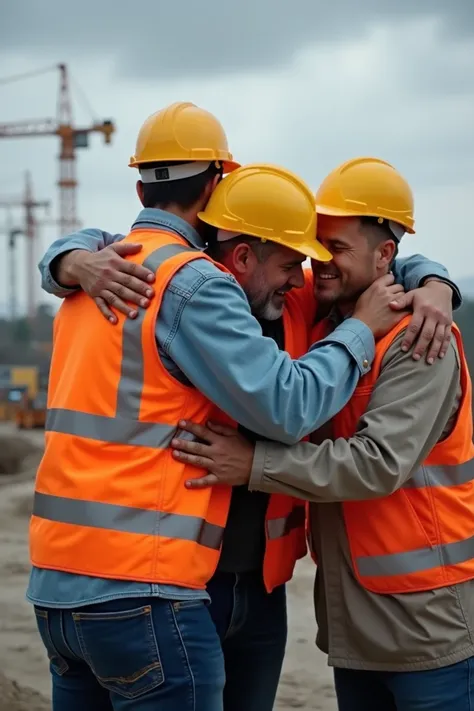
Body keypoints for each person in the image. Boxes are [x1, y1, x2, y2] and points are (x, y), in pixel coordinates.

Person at [38, 135, 460, 711]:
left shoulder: (297, 298)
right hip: (184, 583)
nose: (308, 270)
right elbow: (289, 402)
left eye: (315, 254)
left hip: (260, 588)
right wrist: (70, 258)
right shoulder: (180, 285)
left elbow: (379, 259)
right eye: (298, 258)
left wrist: (436, 282)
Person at [170, 157, 474, 711]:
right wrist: (73, 259)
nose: (317, 264)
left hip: (429, 629)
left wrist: (254, 464)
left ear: (385, 257)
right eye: (315, 248)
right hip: (354, 629)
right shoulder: (324, 316)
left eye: (335, 248)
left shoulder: (419, 339)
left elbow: (378, 462)